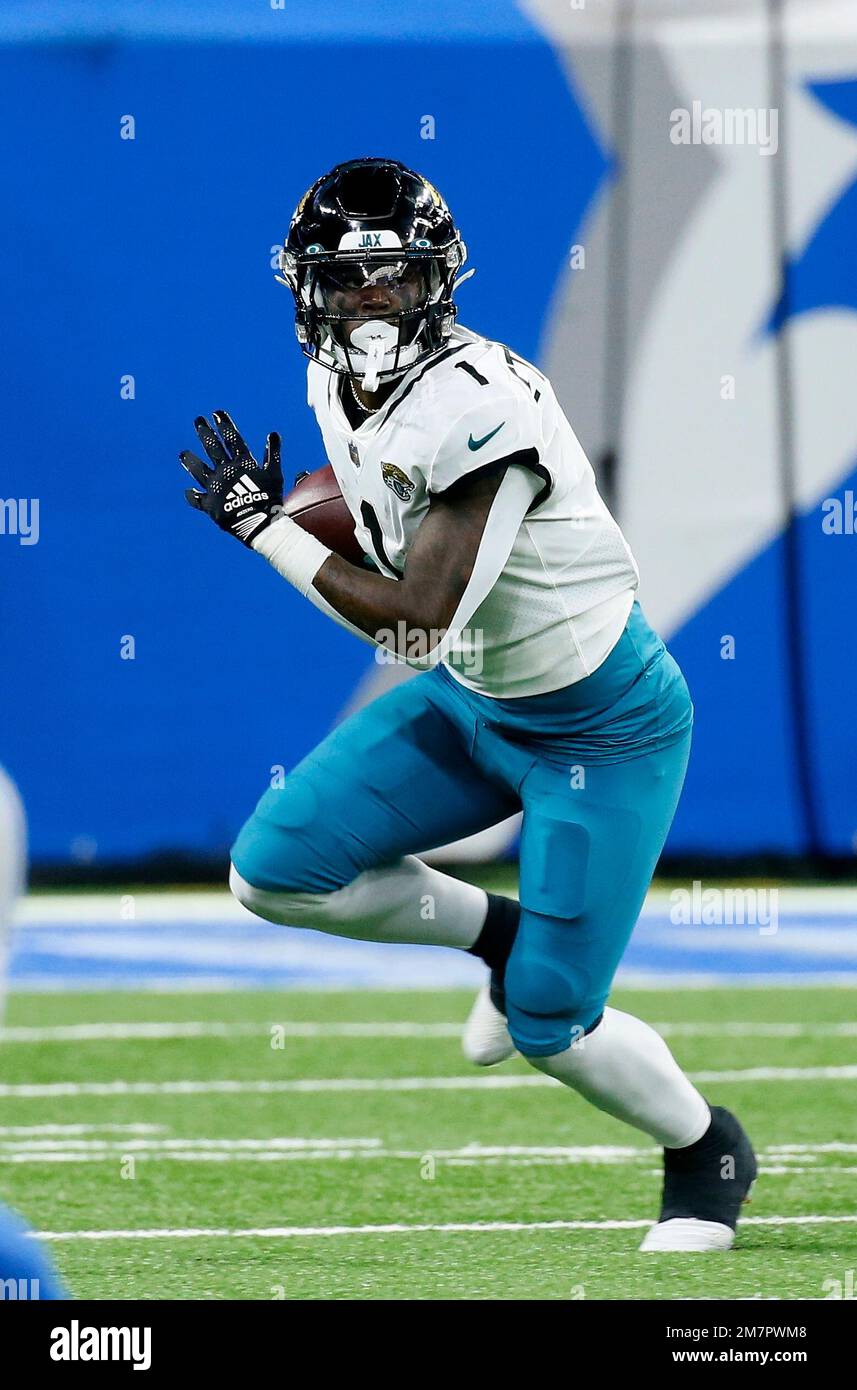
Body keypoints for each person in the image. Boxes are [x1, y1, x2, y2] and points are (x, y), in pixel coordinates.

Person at [181, 157, 756, 1252]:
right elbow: (400, 555)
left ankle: (703, 1146)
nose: (366, 303)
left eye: (389, 277)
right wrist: (307, 526)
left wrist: (268, 529)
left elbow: (415, 621)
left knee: (550, 1023)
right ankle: (495, 934)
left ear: (434, 278)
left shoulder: (478, 407)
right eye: (341, 282)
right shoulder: (329, 380)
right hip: (475, 699)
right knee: (272, 872)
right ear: (302, 287)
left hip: (600, 724)